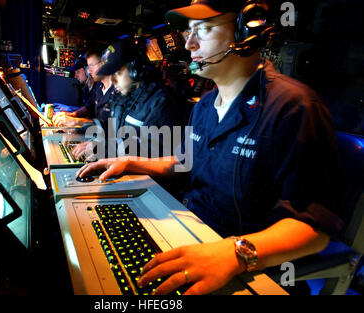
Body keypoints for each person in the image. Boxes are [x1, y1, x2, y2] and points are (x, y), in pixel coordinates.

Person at [75, 0, 345, 295]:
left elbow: (314, 229)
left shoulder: (294, 107)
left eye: (202, 30)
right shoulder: (204, 106)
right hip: (190, 233)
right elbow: (184, 163)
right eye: (189, 32)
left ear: (245, 31)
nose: (189, 43)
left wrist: (235, 253)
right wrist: (129, 162)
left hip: (249, 265)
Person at [72, 39, 180, 160]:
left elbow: (158, 150)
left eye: (117, 73)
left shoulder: (161, 102)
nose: (112, 80)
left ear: (135, 69)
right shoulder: (123, 97)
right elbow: (109, 127)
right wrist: (79, 131)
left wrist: (105, 148)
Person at [53, 47, 117, 126]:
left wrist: (76, 121)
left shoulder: (117, 92)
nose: (89, 71)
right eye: (88, 67)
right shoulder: (98, 86)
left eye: (91, 66)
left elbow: (109, 127)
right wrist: (71, 115)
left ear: (103, 63)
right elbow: (88, 107)